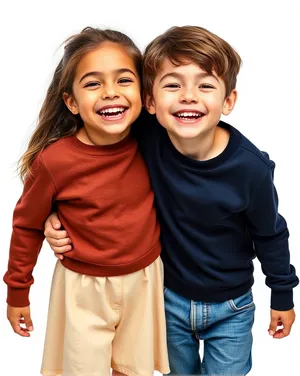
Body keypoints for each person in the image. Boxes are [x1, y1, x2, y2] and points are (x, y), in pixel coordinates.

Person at [44, 26, 298, 375]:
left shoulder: (249, 169)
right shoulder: (146, 137)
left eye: (205, 85)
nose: (189, 96)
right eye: (173, 85)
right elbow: (83, 166)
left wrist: (282, 292)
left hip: (232, 306)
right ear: (150, 101)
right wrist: (54, 212)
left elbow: (271, 233)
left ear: (228, 101)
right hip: (167, 301)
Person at [3, 27, 170, 376]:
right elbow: (27, 224)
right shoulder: (56, 161)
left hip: (144, 280)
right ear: (71, 102)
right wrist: (17, 290)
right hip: (82, 288)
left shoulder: (156, 141)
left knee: (132, 370)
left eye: (124, 80)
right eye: (93, 84)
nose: (110, 93)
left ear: (144, 93)